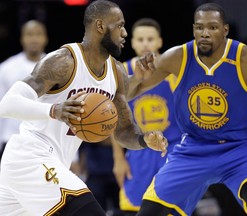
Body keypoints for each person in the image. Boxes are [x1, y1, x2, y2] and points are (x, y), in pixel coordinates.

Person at [0, 1, 167, 216]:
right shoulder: (63, 62)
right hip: (30, 156)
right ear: (100, 26)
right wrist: (54, 110)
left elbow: (125, 132)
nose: (125, 32)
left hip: (52, 162)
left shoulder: (116, 72)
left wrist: (145, 140)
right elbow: (7, 103)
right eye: (119, 25)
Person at [129, 3, 247, 216]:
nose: (205, 33)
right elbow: (131, 92)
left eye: (212, 27)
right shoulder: (177, 57)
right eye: (200, 27)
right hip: (194, 149)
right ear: (194, 28)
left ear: (225, 30)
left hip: (240, 148)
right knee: (148, 211)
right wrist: (136, 78)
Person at [112, 18, 182, 215]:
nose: (145, 44)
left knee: (172, 208)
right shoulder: (123, 72)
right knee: (136, 208)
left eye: (150, 39)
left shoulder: (173, 72)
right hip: (138, 150)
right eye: (140, 39)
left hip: (172, 150)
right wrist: (118, 158)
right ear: (132, 43)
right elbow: (114, 118)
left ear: (159, 42)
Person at [0, 19, 48, 161]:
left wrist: (74, 156)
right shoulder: (6, 68)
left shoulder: (59, 67)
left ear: (46, 38)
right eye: (29, 34)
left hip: (44, 142)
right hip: (12, 139)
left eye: (38, 34)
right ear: (22, 39)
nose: (34, 39)